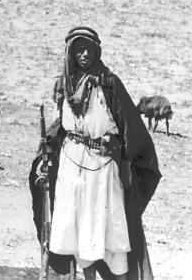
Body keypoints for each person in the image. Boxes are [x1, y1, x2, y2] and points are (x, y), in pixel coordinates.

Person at [47, 26, 161, 280]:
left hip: (102, 168)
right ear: (70, 51)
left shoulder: (109, 82)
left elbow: (131, 126)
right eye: (78, 48)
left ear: (97, 51)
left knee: (108, 232)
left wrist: (123, 155)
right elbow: (58, 127)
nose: (84, 53)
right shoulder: (64, 84)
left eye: (89, 49)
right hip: (71, 164)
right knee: (78, 232)